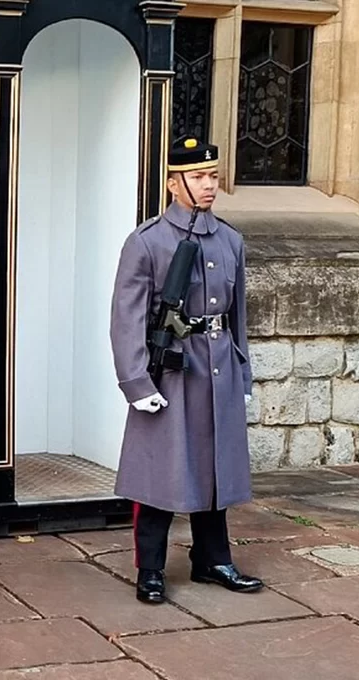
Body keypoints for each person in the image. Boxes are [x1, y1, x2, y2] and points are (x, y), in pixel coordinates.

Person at [108, 137, 264, 604]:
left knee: (215, 470)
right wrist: (136, 381)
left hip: (217, 369)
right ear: (174, 183)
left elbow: (237, 319)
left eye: (213, 177)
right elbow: (127, 318)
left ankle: (213, 559)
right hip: (172, 371)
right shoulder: (148, 241)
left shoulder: (230, 240)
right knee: (162, 470)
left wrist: (243, 374)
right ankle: (150, 569)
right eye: (198, 177)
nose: (209, 185)